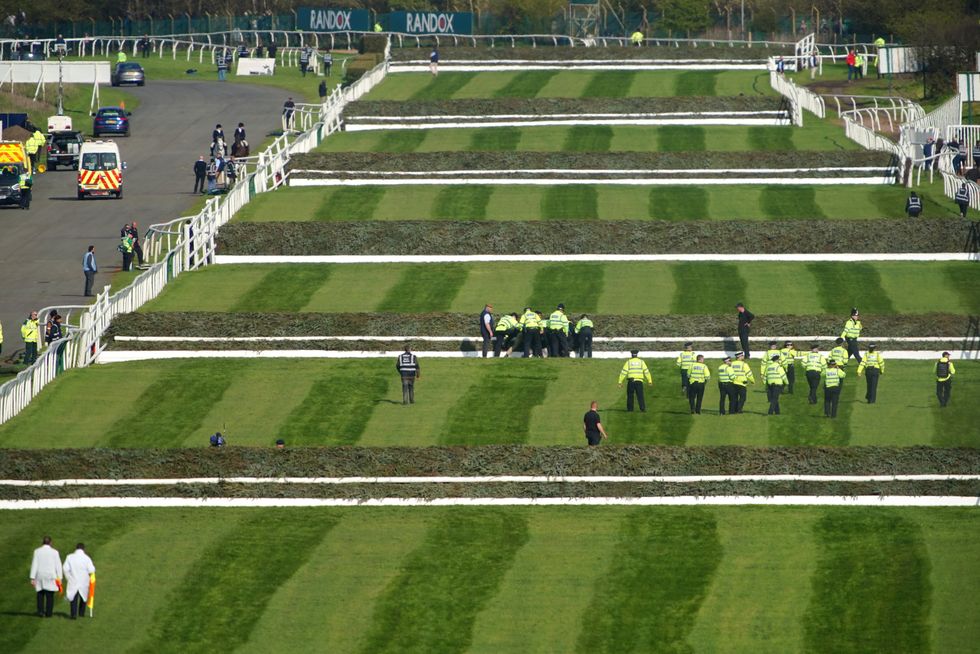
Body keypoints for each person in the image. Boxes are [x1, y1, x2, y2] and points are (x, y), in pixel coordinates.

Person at [30, 536, 62, 618]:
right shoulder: (55, 552)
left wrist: (32, 577)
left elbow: (34, 564)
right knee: (50, 595)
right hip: (51, 575)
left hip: (40, 575)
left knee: (40, 594)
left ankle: (40, 611)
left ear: (42, 542)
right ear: (50, 542)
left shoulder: (37, 551)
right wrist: (60, 577)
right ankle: (49, 613)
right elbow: (58, 565)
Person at [63, 543, 95, 620]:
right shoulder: (86, 558)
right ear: (83, 549)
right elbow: (91, 570)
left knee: (73, 597)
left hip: (73, 580)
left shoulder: (69, 557)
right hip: (83, 580)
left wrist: (69, 577)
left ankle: (73, 614)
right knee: (83, 597)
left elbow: (65, 568)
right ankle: (81, 613)